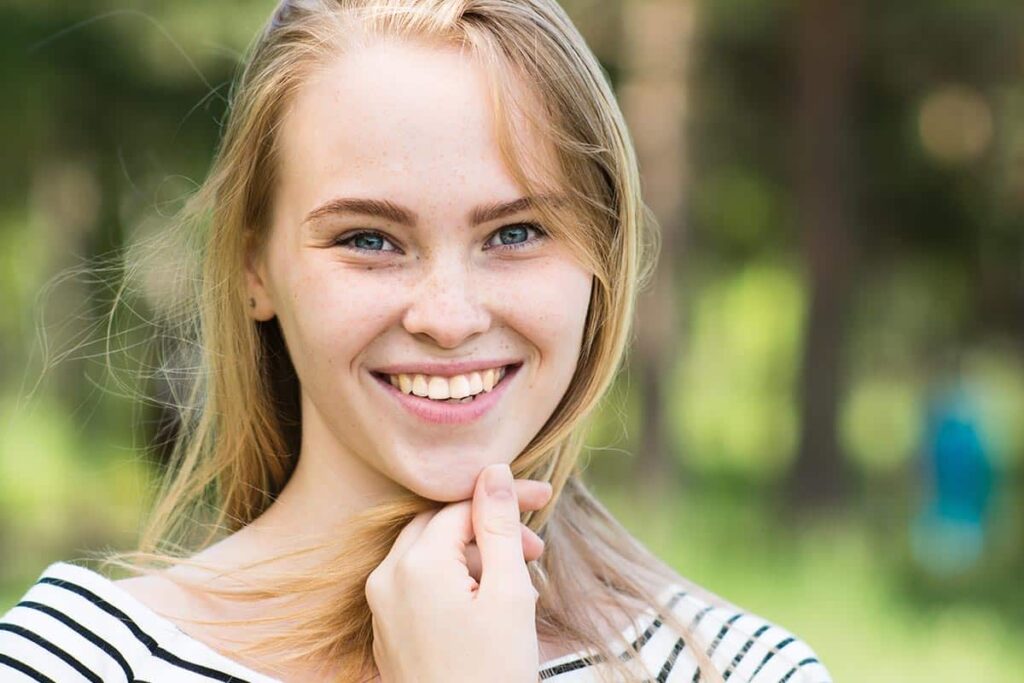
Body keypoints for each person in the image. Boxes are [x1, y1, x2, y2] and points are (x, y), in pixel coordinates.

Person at [0, 1, 833, 681]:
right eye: (369, 239)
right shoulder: (68, 661)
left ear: (602, 257)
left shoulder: (739, 668)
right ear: (255, 264)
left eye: (515, 232)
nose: (448, 315)